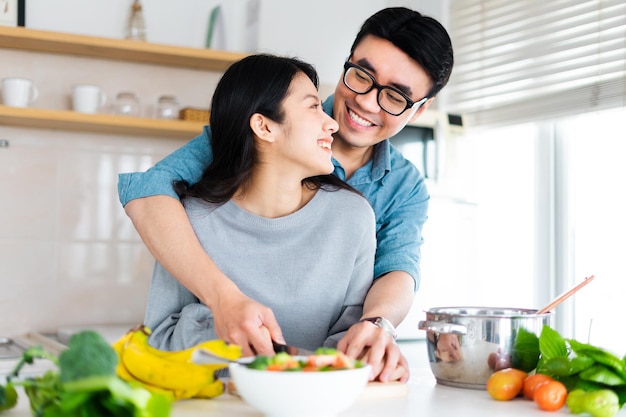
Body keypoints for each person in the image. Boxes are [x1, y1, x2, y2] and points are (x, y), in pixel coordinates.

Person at [118, 7, 454, 382]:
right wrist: (224, 301)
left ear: (420, 108)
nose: (367, 102)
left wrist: (377, 325)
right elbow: (151, 192)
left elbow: (399, 268)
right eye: (361, 75)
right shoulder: (254, 127)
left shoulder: (394, 191)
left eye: (395, 97)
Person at [144, 53, 377, 353]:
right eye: (313, 107)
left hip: (317, 395)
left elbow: (353, 339)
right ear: (265, 127)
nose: (331, 124)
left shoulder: (353, 217)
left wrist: (287, 364)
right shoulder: (189, 219)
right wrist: (242, 341)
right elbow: (160, 337)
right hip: (212, 399)